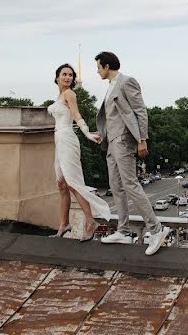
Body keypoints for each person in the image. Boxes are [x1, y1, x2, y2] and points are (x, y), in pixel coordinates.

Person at [92, 51, 171, 256]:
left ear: (106, 66)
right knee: (116, 186)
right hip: (111, 142)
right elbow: (112, 117)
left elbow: (140, 111)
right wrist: (102, 135)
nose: (97, 71)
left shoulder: (127, 82)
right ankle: (123, 230)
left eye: (99, 67)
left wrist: (142, 139)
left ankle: (156, 230)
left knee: (130, 184)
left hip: (124, 141)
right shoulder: (110, 87)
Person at [46, 63, 112, 241]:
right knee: (61, 185)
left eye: (70, 75)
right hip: (59, 141)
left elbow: (76, 115)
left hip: (67, 139)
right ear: (57, 77)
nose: (68, 77)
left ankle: (90, 222)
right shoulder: (60, 95)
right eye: (64, 74)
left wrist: (88, 134)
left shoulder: (69, 94)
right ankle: (64, 224)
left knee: (73, 183)